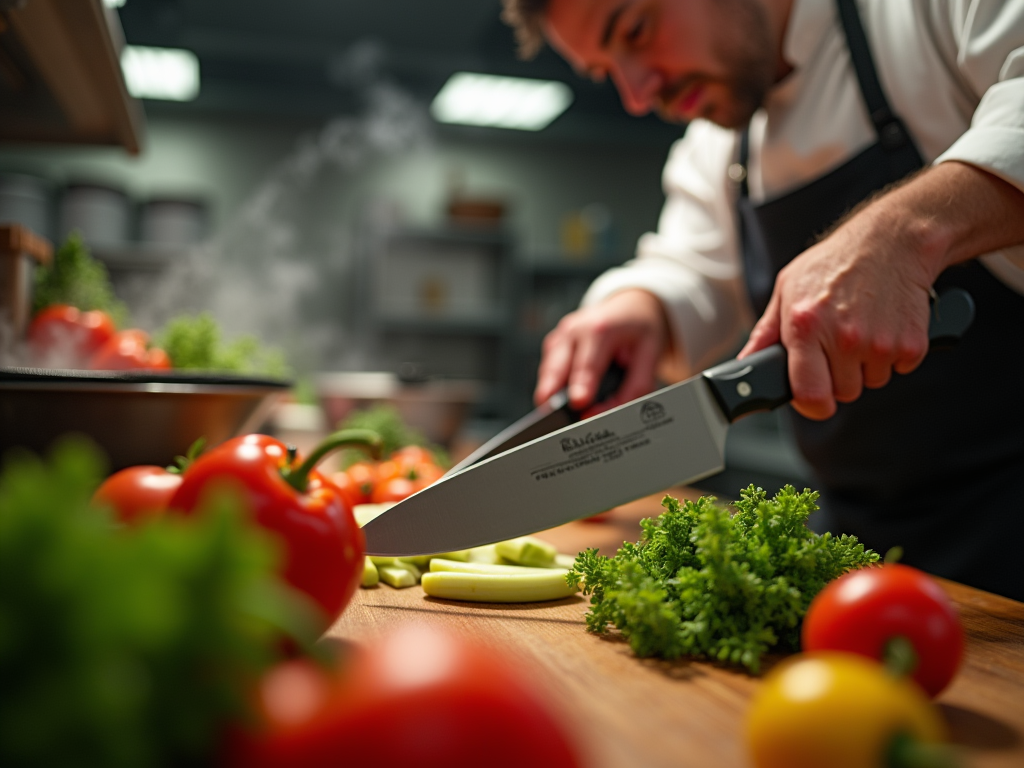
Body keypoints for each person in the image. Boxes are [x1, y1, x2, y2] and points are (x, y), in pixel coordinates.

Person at [501, 0, 1024, 600]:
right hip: (862, 556)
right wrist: (638, 305)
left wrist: (907, 231)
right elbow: (693, 267)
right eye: (605, 71)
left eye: (636, 31)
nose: (637, 95)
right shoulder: (718, 146)